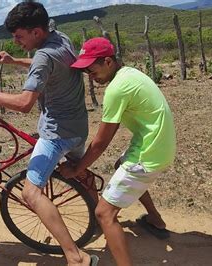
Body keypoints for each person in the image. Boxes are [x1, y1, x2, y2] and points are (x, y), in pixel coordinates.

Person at [0, 2, 98, 266]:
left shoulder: (43, 57)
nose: (15, 41)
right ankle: (101, 218)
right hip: (78, 126)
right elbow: (48, 65)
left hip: (57, 133)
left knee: (30, 193)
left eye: (19, 36)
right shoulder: (61, 39)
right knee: (78, 171)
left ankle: (76, 257)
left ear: (36, 32)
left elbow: (24, 104)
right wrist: (14, 62)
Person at [60, 37, 176, 266]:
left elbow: (101, 143)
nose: (90, 76)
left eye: (92, 69)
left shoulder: (116, 89)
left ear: (108, 61)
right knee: (119, 165)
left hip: (149, 153)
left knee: (104, 213)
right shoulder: (130, 73)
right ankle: (156, 221)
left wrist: (76, 168)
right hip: (160, 144)